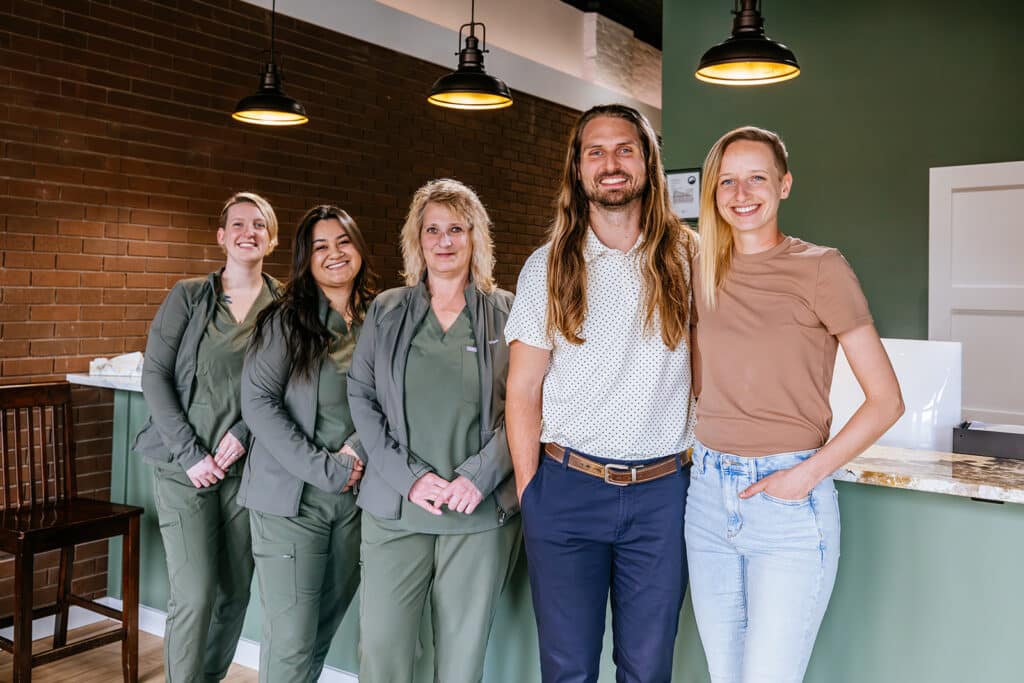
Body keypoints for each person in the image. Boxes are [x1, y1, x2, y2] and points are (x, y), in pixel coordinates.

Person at [686, 126, 904, 683]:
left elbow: (886, 401)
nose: (741, 193)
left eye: (756, 177)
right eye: (727, 181)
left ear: (784, 184)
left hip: (789, 505)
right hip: (706, 497)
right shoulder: (697, 269)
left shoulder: (821, 268)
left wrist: (805, 475)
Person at [504, 103, 699, 683]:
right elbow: (522, 392)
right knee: (568, 670)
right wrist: (530, 493)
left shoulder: (688, 257)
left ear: (647, 163)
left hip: (664, 496)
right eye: (596, 152)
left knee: (648, 669)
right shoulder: (548, 266)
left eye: (625, 150)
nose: (611, 164)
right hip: (565, 490)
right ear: (578, 168)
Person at [347, 178, 520, 683]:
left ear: (475, 237)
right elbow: (362, 396)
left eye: (456, 229)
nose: (444, 241)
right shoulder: (386, 309)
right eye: (432, 230)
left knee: (461, 660)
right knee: (382, 650)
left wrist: (480, 476)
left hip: (478, 510)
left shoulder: (507, 311)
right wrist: (411, 479)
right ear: (416, 240)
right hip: (396, 506)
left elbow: (530, 406)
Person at [134, 191, 282, 682]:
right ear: (221, 237)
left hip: (247, 471)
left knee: (235, 592)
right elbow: (154, 375)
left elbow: (285, 387)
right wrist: (191, 453)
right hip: (183, 468)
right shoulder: (189, 295)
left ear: (271, 238)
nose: (248, 232)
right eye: (238, 224)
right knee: (195, 593)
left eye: (259, 225)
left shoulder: (283, 305)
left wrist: (242, 432)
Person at [239, 205, 377, 682]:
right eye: (321, 246)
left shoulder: (380, 317)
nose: (335, 253)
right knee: (292, 639)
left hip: (355, 499)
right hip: (290, 501)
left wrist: (357, 450)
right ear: (305, 257)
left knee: (320, 631)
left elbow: (396, 399)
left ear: (358, 246)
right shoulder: (285, 320)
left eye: (343, 241)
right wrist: (325, 468)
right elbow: (257, 403)